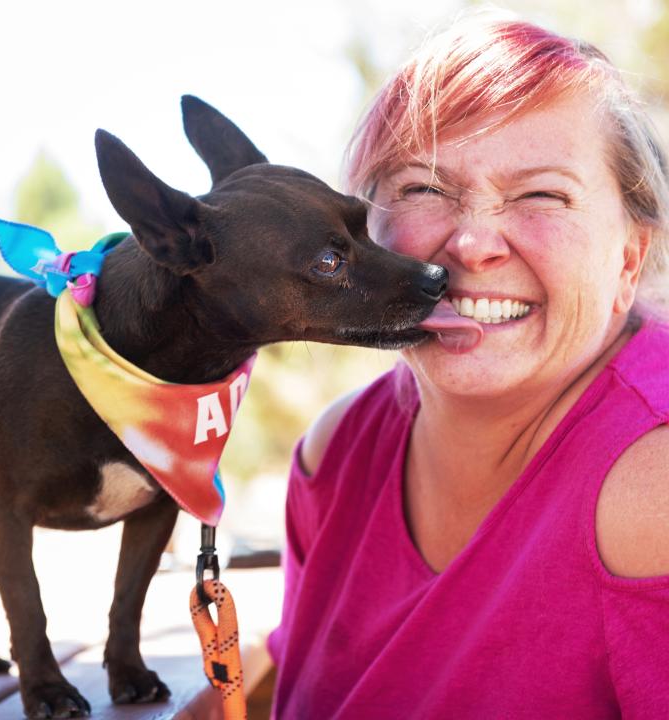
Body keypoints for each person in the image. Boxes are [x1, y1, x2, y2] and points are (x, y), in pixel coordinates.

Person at [267, 10, 669, 719]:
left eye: (542, 194)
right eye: (424, 188)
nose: (474, 243)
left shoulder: (652, 484)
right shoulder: (334, 457)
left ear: (629, 258)